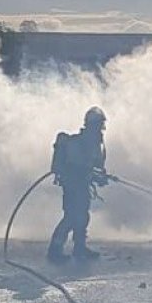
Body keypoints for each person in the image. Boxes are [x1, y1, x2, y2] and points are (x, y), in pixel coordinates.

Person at [47, 106, 110, 262]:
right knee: (71, 217)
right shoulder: (79, 142)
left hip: (81, 186)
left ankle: (79, 248)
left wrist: (101, 176)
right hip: (73, 185)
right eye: (99, 124)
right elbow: (78, 167)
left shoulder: (94, 142)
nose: (101, 128)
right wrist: (94, 174)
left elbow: (95, 165)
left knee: (82, 216)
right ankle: (54, 250)